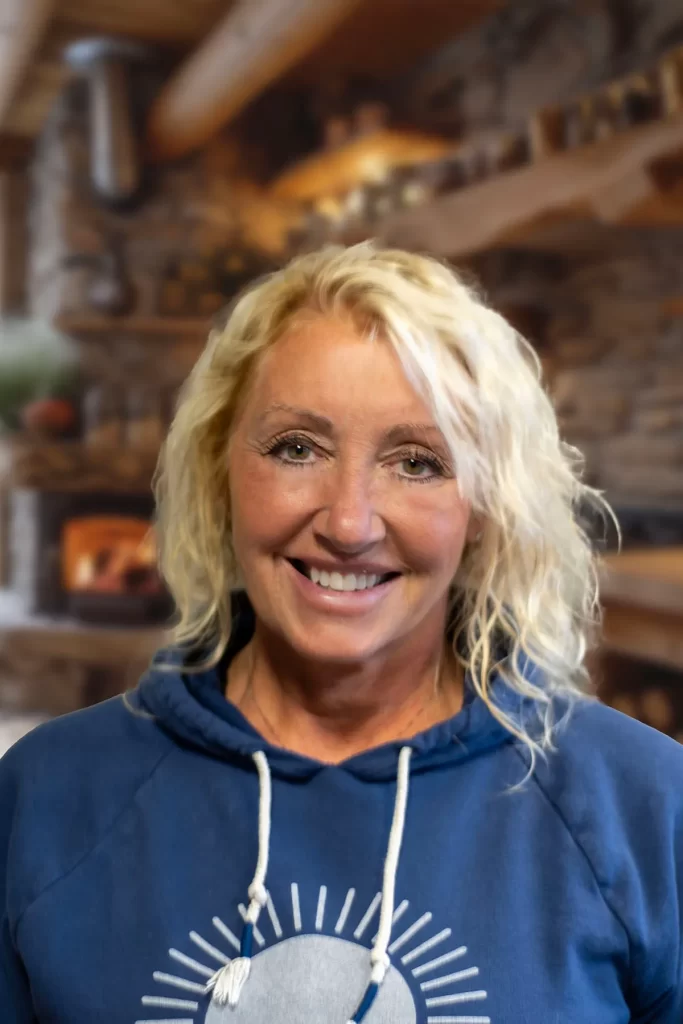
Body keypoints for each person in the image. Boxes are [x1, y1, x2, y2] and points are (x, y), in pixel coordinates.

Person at [1, 242, 681, 1024]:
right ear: (220, 469)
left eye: (418, 462)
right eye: (297, 448)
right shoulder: (44, 798)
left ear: (487, 505)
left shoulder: (645, 808)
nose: (349, 522)